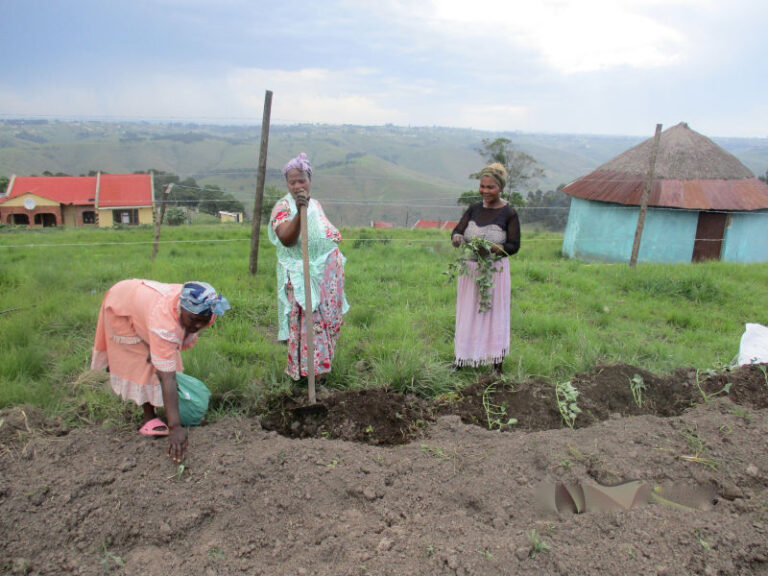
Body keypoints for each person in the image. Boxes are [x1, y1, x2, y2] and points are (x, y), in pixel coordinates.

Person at [91, 279, 230, 461]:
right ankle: (149, 417)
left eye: (202, 322)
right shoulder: (164, 321)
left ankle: (166, 407)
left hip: (143, 307)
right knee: (142, 362)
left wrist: (159, 355)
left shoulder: (204, 308)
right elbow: (168, 377)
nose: (197, 326)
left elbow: (168, 360)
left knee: (162, 360)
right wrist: (175, 428)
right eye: (193, 320)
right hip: (122, 307)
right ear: (181, 309)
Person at [268, 152, 349, 383]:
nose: (297, 185)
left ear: (310, 179)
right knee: (308, 322)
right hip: (301, 273)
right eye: (291, 182)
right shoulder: (283, 206)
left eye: (301, 180)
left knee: (326, 322)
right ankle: (308, 375)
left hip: (326, 274)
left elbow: (326, 233)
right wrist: (298, 211)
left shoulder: (316, 204)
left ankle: (320, 371)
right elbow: (286, 238)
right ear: (287, 184)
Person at [451, 163, 521, 373]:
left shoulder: (509, 213)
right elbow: (458, 230)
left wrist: (497, 248)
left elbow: (514, 245)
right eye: (482, 186)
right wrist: (456, 237)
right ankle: (462, 359)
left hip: (494, 274)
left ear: (500, 188)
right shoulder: (474, 208)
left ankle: (496, 365)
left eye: (490, 187)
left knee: (494, 315)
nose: (485, 191)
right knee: (468, 313)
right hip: (471, 272)